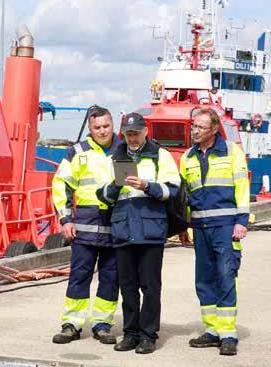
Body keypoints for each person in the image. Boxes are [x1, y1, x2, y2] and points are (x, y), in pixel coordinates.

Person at [96, 112, 181, 354]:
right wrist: (115, 185)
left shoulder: (159, 155)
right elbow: (101, 195)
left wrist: (147, 185)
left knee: (151, 286)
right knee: (128, 286)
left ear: (145, 132)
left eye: (136, 133)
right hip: (124, 230)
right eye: (128, 134)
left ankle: (148, 336)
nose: (132, 138)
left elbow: (172, 190)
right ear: (123, 134)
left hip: (150, 230)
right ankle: (131, 334)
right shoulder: (115, 157)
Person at [179, 107, 249, 356]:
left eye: (200, 127)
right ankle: (212, 331)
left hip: (226, 227)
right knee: (204, 281)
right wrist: (183, 226)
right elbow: (184, 196)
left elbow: (242, 187)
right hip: (199, 228)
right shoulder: (187, 157)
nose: (194, 131)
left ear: (214, 129)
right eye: (193, 126)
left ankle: (228, 334)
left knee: (225, 277)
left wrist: (242, 221)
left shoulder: (232, 152)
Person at [51, 106, 120, 345]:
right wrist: (65, 219)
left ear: (114, 125)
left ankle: (102, 324)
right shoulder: (77, 152)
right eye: (97, 127)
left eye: (106, 126)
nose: (102, 131)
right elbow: (61, 185)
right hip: (85, 226)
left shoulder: (125, 151)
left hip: (116, 226)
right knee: (79, 276)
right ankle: (72, 324)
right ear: (90, 129)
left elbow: (131, 186)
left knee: (111, 278)